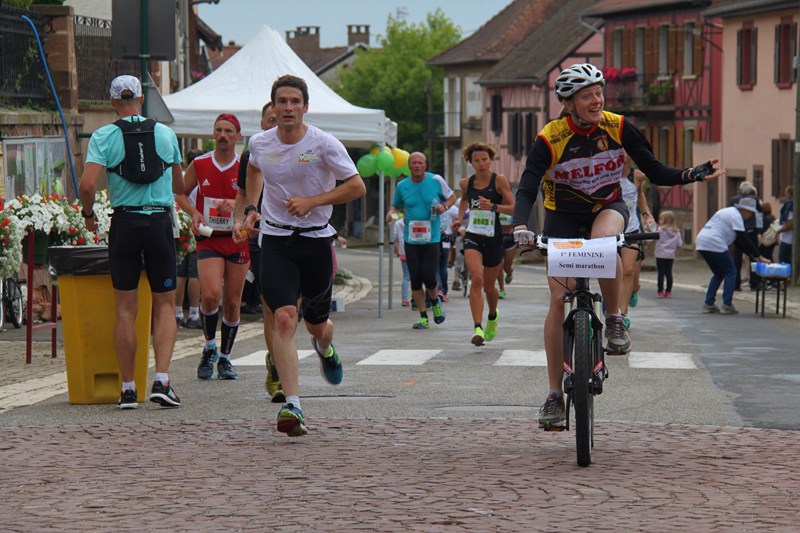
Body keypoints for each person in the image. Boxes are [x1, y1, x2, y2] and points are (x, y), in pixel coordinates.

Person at [511, 63, 724, 430]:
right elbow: (527, 186)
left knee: (605, 244)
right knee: (557, 299)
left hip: (606, 206)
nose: (596, 100)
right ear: (569, 103)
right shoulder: (550, 137)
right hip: (561, 214)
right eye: (586, 95)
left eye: (598, 92)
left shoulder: (618, 126)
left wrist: (691, 174)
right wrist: (520, 226)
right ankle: (552, 395)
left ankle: (613, 319)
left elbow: (654, 171)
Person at [236, 74, 366, 437]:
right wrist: (251, 205)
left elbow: (357, 186)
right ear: (273, 108)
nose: (288, 107)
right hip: (275, 240)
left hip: (315, 241)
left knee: (315, 324)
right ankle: (293, 406)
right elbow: (254, 168)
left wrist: (313, 201)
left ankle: (325, 348)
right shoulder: (260, 142)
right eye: (282, 102)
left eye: (295, 101)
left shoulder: (324, 143)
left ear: (305, 107)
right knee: (282, 318)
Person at [78, 75, 183, 409]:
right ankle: (162, 381)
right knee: (165, 304)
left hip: (124, 223)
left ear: (112, 102)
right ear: (141, 99)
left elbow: (86, 185)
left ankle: (127, 389)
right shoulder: (165, 133)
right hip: (157, 224)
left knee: (125, 308)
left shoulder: (104, 136)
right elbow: (179, 184)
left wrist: (88, 214)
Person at [176, 113, 249, 381]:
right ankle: (209, 347)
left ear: (238, 136)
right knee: (209, 296)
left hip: (237, 238)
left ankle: (226, 359)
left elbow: (257, 199)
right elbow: (180, 192)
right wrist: (194, 212)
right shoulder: (200, 163)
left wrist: (236, 204)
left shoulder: (245, 165)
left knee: (232, 302)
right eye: (218, 130)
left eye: (229, 131)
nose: (222, 135)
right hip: (209, 237)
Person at [233, 102, 285, 402]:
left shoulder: (301, 150)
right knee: (272, 306)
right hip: (260, 233)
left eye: (278, 120)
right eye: (270, 120)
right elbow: (241, 193)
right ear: (263, 123)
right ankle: (277, 367)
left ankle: (282, 357)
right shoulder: (252, 153)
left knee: (291, 308)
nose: (274, 125)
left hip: (294, 233)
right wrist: (239, 222)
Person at [452, 142, 514, 346]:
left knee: (489, 287)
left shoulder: (499, 181)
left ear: (490, 160)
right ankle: (477, 327)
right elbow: (463, 201)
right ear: (470, 163)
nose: (481, 164)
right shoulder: (466, 183)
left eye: (484, 159)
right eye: (476, 160)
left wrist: (493, 206)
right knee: (476, 280)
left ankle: (493, 316)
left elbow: (513, 207)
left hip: (494, 238)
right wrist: (460, 219)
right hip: (473, 236)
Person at [386, 152, 456, 329]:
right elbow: (395, 205)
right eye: (413, 163)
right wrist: (391, 212)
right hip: (411, 239)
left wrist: (444, 206)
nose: (417, 166)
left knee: (429, 276)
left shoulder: (435, 180)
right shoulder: (402, 186)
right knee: (415, 279)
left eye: (420, 163)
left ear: (425, 165)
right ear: (409, 166)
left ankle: (435, 301)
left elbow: (452, 196)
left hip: (432, 238)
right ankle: (423, 316)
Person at [696, 196, 770, 314]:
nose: (750, 216)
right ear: (745, 210)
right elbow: (743, 238)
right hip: (715, 242)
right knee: (731, 272)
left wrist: (754, 256)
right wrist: (759, 256)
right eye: (751, 213)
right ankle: (727, 304)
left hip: (702, 241)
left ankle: (708, 304)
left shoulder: (727, 211)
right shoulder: (736, 216)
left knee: (719, 273)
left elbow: (739, 242)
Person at [618, 153, 656, 327]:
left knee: (631, 276)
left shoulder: (638, 176)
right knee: (620, 272)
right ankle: (620, 314)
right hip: (611, 231)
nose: (623, 153)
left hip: (632, 230)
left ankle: (629, 294)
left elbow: (639, 195)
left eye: (627, 150)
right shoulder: (606, 175)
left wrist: (647, 215)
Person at [175, 148, 204, 329]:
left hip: (181, 225)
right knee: (195, 273)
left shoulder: (182, 177)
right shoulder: (200, 177)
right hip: (198, 225)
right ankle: (194, 313)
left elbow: (176, 198)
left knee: (180, 272)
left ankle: (177, 312)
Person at [729, 182, 761, 291]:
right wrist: (759, 231)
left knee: (737, 259)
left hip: (738, 231)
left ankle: (736, 284)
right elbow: (759, 214)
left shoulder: (733, 199)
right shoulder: (755, 199)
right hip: (751, 231)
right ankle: (754, 283)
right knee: (753, 257)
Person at [654, 210, 683, 298]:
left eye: (661, 219)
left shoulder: (660, 230)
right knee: (669, 273)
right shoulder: (676, 232)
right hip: (670, 255)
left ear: (665, 220)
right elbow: (680, 244)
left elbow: (653, 239)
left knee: (660, 273)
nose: (659, 220)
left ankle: (660, 291)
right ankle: (668, 291)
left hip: (660, 254)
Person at [495, 211, 516, 300]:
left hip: (510, 239)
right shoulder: (496, 205)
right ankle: (501, 289)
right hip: (498, 238)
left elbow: (519, 222)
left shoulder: (512, 207)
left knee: (506, 266)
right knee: (499, 265)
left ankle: (509, 273)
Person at [392, 214, 411, 306]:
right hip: (415, 251)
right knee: (417, 276)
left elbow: (394, 238)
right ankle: (416, 298)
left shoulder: (397, 223)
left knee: (406, 277)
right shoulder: (414, 221)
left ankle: (404, 299)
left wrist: (396, 249)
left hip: (403, 252)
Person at [776, 185, 794, 264]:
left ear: (789, 194)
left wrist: (779, 231)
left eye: (786, 193)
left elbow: (791, 223)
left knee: (784, 262)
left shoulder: (790, 205)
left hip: (788, 240)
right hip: (791, 240)